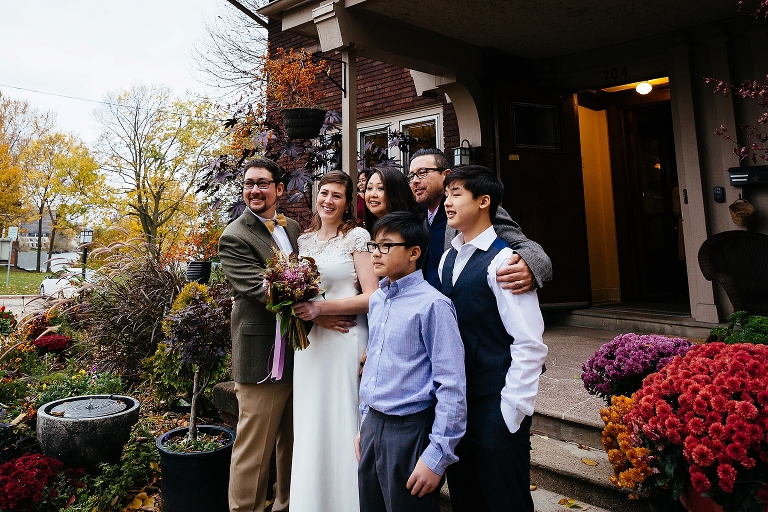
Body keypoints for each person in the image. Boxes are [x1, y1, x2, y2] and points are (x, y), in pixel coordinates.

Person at [437, 166, 548, 512]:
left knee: (505, 500)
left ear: (484, 201)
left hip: (495, 401)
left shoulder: (503, 260)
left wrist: (511, 410)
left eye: (456, 194)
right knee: (466, 497)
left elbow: (529, 342)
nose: (448, 203)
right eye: (446, 195)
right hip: (458, 401)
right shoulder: (447, 257)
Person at [355, 211, 467, 512]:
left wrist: (437, 457)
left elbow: (452, 384)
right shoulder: (378, 300)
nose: (376, 254)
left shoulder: (434, 306)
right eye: (374, 245)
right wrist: (364, 423)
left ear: (414, 252)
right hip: (372, 427)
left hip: (410, 432)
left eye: (386, 246)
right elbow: (373, 367)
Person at [289, 171, 379, 512]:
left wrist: (320, 308)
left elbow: (372, 296)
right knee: (311, 424)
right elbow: (295, 299)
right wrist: (307, 312)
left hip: (345, 341)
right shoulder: (304, 241)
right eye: (324, 193)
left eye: (337, 196)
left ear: (347, 203)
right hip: (312, 347)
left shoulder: (357, 237)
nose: (328, 200)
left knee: (344, 421)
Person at [218, 158, 301, 512]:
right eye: (249, 183)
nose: (255, 189)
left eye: (263, 183)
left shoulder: (295, 228)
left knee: (292, 443)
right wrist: (324, 306)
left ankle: (286, 505)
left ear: (279, 189)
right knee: (254, 449)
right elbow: (262, 290)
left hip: (301, 352)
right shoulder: (234, 236)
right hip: (261, 355)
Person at [408, 148, 552, 292]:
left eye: (422, 173)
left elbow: (526, 247)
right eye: (411, 176)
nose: (415, 181)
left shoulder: (476, 210)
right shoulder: (418, 218)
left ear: (446, 175)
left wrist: (530, 267)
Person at [364, 164, 422, 233]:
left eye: (381, 188)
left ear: (397, 193)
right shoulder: (367, 232)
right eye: (369, 188)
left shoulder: (409, 232)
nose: (372, 194)